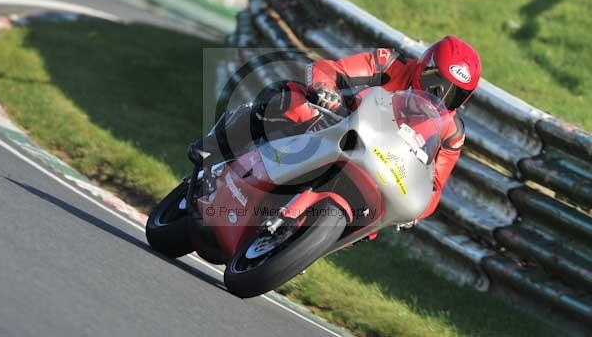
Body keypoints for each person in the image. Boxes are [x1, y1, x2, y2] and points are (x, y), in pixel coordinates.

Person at [190, 35, 481, 219]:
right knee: (288, 99)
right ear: (424, 66)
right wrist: (324, 89)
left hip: (379, 171)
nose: (439, 96)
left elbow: (434, 186)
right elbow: (332, 70)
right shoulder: (389, 64)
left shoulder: (452, 133)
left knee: (378, 217)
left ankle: (304, 242)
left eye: (453, 93)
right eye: (436, 82)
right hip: (335, 128)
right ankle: (216, 148)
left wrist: (417, 208)